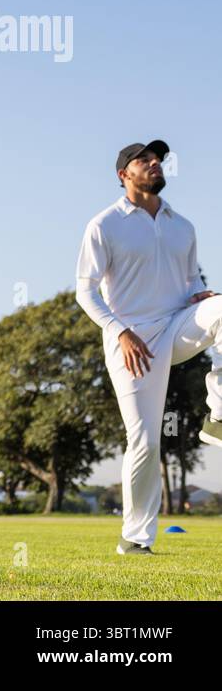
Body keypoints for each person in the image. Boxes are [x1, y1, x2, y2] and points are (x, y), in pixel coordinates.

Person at [74, 140, 222, 555]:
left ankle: (220, 415)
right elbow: (85, 292)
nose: (155, 164)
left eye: (158, 160)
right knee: (145, 440)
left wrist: (199, 296)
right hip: (132, 341)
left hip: (177, 325)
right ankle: (135, 539)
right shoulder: (104, 225)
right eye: (144, 160)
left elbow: (191, 281)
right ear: (123, 174)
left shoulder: (183, 226)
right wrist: (119, 332)